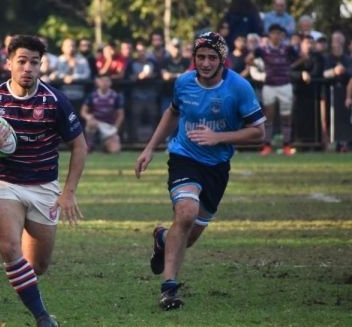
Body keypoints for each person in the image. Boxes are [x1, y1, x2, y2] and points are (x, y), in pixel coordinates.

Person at [135, 32, 265, 310]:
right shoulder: (183, 82)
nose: (205, 63)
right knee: (186, 213)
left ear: (222, 60)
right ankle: (169, 288)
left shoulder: (239, 88)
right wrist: (150, 148)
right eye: (200, 57)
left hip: (217, 166)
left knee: (188, 236)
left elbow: (259, 133)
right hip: (184, 157)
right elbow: (172, 112)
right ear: (193, 58)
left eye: (212, 57)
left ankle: (161, 239)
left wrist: (219, 138)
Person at [0, 35, 87, 327]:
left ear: (41, 65)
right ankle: (43, 319)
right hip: (3, 182)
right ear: (8, 63)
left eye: (35, 62)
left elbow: (80, 146)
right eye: (21, 61)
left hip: (44, 186)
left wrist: (69, 192)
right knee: (9, 247)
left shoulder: (55, 101)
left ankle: (27, 286)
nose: (28, 68)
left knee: (38, 266)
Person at [247, 23, 297, 156]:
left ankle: (287, 145)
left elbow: (302, 57)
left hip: (285, 85)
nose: (276, 36)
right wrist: (258, 67)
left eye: (278, 33)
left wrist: (290, 67)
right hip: (269, 85)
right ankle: (266, 146)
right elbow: (249, 59)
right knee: (269, 116)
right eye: (273, 33)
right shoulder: (262, 49)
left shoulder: (287, 48)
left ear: (281, 35)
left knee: (286, 117)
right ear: (269, 35)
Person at [80, 74, 124, 153]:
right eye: (103, 81)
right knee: (90, 123)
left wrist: (115, 129)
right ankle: (89, 144)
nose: (105, 83)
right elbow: (83, 111)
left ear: (110, 83)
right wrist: (88, 116)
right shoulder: (92, 95)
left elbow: (120, 114)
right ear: (98, 82)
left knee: (115, 150)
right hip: (96, 123)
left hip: (109, 126)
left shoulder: (115, 96)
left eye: (107, 81)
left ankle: (104, 145)